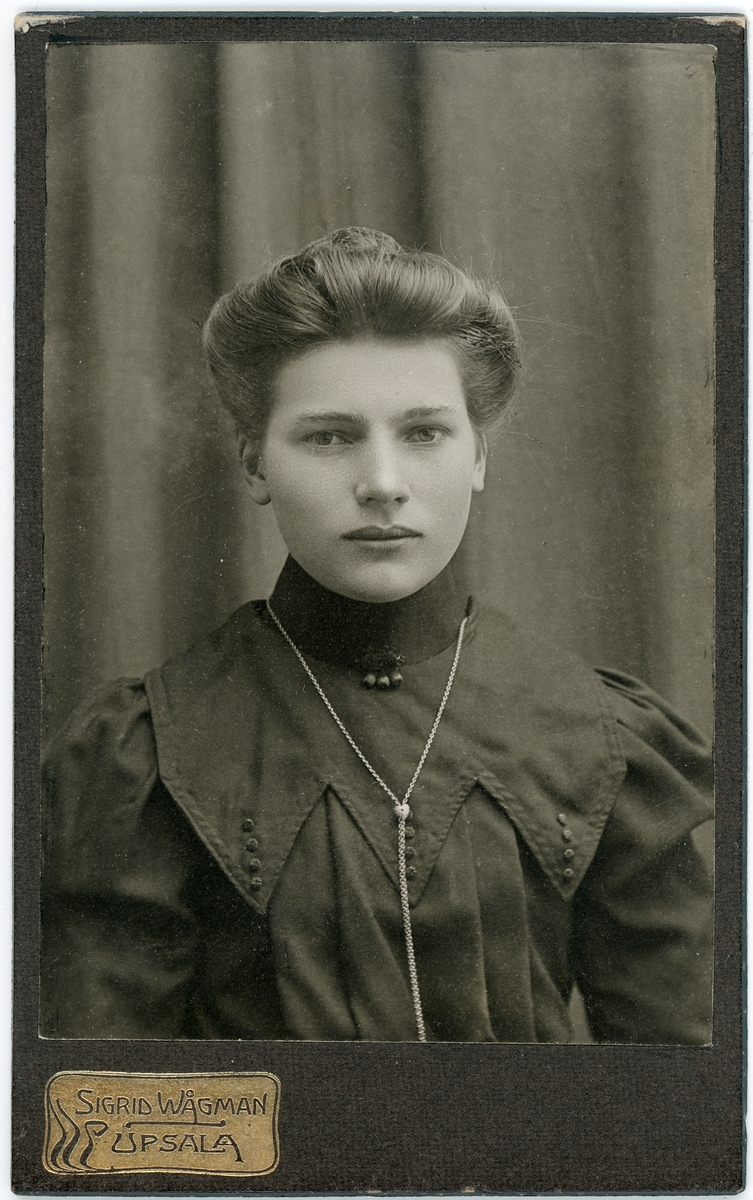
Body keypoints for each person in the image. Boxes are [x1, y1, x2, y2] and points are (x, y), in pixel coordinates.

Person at [41, 228, 713, 1044]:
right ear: (254, 465)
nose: (383, 485)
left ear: (477, 458)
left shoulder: (601, 739)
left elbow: (683, 1088)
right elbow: (105, 1104)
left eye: (424, 433)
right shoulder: (149, 754)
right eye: (328, 436)